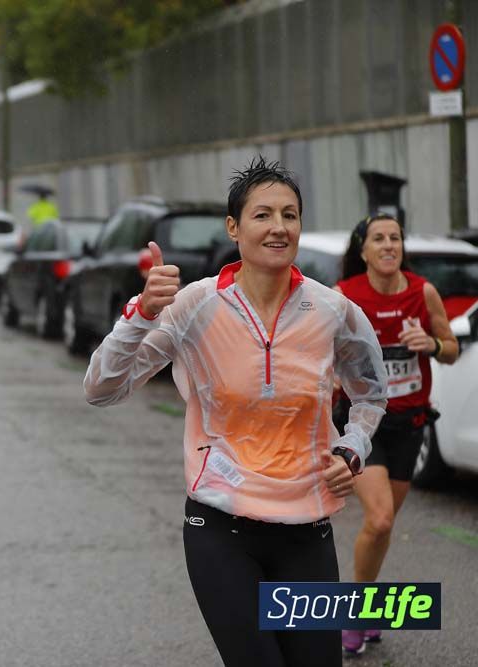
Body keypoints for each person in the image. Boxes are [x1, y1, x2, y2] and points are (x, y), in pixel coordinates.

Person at [83, 157, 388, 667]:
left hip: (307, 531)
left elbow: (371, 394)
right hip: (220, 530)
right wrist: (141, 314)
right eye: (263, 215)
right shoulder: (196, 306)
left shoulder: (333, 312)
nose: (278, 227)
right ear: (234, 226)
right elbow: (101, 388)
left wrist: (352, 448)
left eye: (290, 215)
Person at [334, 214, 459, 655]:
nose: (389, 245)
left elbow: (451, 349)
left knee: (383, 527)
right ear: (363, 250)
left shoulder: (422, 292)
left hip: (410, 423)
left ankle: (365, 607)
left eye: (395, 238)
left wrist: (432, 345)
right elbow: (321, 358)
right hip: (364, 424)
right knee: (381, 517)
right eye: (379, 239)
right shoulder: (345, 296)